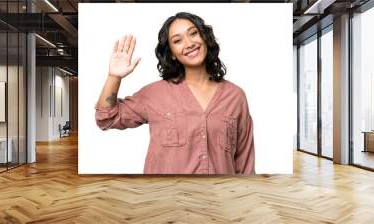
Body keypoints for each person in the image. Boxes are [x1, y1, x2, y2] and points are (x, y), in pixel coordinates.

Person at [95, 12, 255, 175]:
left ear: (205, 37)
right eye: (177, 41)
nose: (189, 43)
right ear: (171, 53)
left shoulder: (235, 96)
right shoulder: (155, 94)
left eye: (193, 33)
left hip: (219, 197)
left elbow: (245, 162)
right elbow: (106, 119)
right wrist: (114, 77)